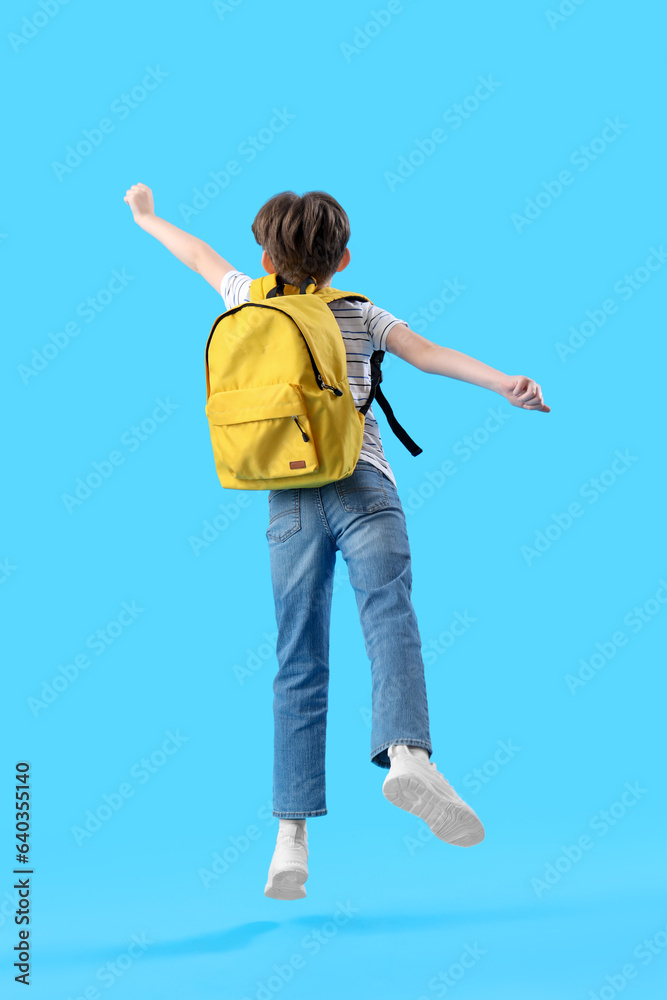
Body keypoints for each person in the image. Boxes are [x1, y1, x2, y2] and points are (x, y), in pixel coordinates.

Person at [124, 183, 550, 901]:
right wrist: (503, 382)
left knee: (297, 658)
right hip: (363, 485)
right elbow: (428, 353)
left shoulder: (245, 299)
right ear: (344, 259)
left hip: (287, 498)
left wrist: (145, 217)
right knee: (388, 619)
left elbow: (195, 255)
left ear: (264, 254)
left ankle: (289, 839)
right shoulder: (357, 310)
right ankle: (408, 755)